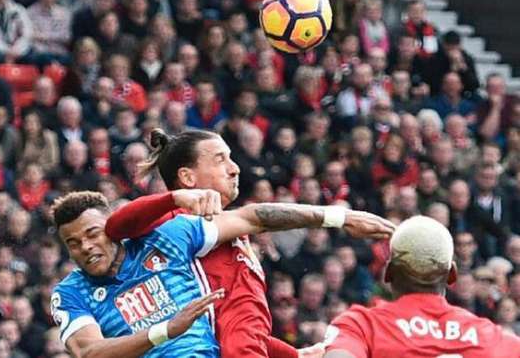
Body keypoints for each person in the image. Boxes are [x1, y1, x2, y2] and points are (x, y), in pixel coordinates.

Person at [103, 129, 394, 358]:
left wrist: (292, 354)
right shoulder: (179, 224)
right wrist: (340, 217)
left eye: (231, 158)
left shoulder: (225, 229)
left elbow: (237, 325)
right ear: (187, 177)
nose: (235, 168)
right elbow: (116, 226)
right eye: (220, 160)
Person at [322, 215, 520, 357]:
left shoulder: (360, 326)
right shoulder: (493, 337)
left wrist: (332, 216)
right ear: (452, 274)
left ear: (389, 272)